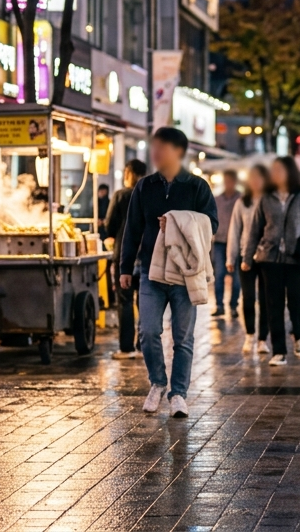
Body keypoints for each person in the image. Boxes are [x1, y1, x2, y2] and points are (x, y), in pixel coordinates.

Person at [118, 128, 217, 417]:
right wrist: (125, 268)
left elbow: (212, 225)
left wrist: (178, 222)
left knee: (183, 337)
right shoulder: (144, 186)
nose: (155, 153)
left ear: (178, 151)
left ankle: (179, 394)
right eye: (154, 148)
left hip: (185, 272)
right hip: (150, 269)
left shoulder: (197, 186)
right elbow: (132, 228)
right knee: (148, 331)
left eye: (161, 147)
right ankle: (158, 383)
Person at [243, 157, 300, 366]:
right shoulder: (266, 199)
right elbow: (254, 230)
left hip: (296, 258)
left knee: (298, 301)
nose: (275, 174)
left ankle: (298, 334)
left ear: (290, 172)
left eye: (279, 170)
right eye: (274, 170)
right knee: (273, 304)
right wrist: (247, 257)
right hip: (269, 258)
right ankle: (278, 350)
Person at [228, 165, 271, 354]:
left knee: (265, 298)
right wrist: (231, 256)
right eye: (252, 178)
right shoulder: (242, 203)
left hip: (267, 256)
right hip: (246, 255)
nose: (255, 181)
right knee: (248, 297)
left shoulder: (270, 201)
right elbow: (235, 230)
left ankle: (262, 339)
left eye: (259, 178)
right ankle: (250, 335)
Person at [107, 160, 146, 360]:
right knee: (144, 301)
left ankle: (126, 348)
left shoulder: (121, 195)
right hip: (147, 256)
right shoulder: (150, 195)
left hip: (124, 256)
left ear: (130, 173)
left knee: (124, 301)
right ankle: (142, 346)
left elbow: (109, 225)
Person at [211, 171, 241, 317]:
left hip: (236, 243)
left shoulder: (240, 199)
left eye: (231, 181)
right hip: (219, 242)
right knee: (219, 275)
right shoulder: (217, 199)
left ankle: (234, 305)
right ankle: (219, 305)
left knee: (236, 278)